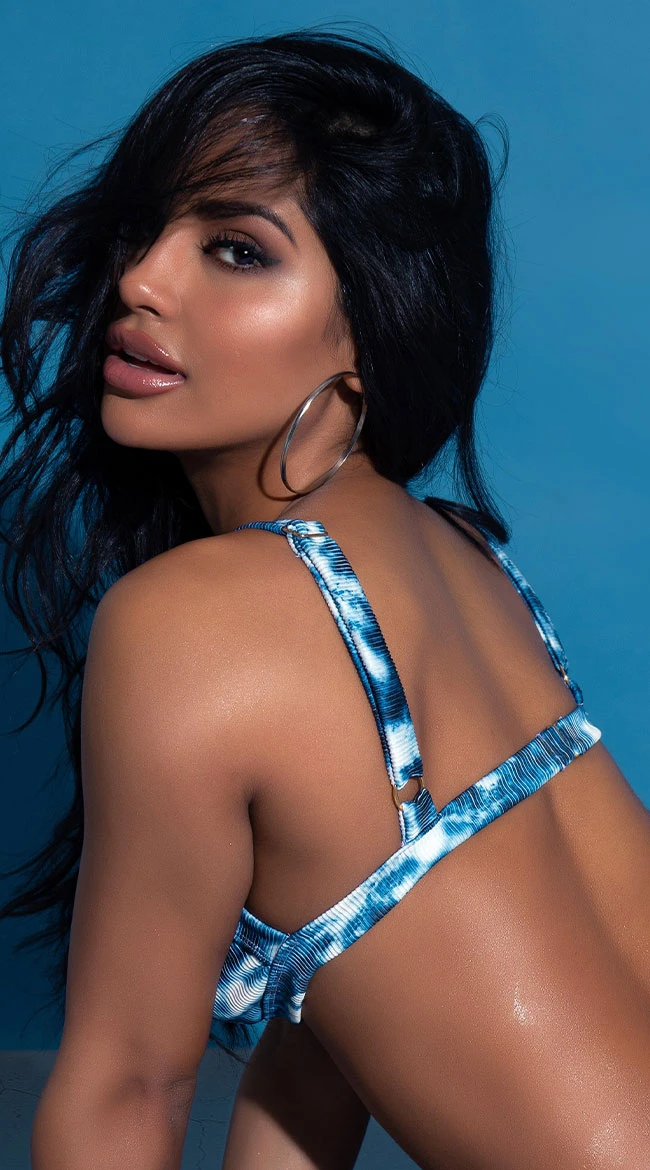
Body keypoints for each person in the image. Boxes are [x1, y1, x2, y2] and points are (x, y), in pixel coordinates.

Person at [0, 25, 648, 1170]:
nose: (140, 279)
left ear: (369, 325)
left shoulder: (192, 620)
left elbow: (125, 1093)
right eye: (147, 227)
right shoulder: (456, 555)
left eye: (235, 250)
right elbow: (340, 985)